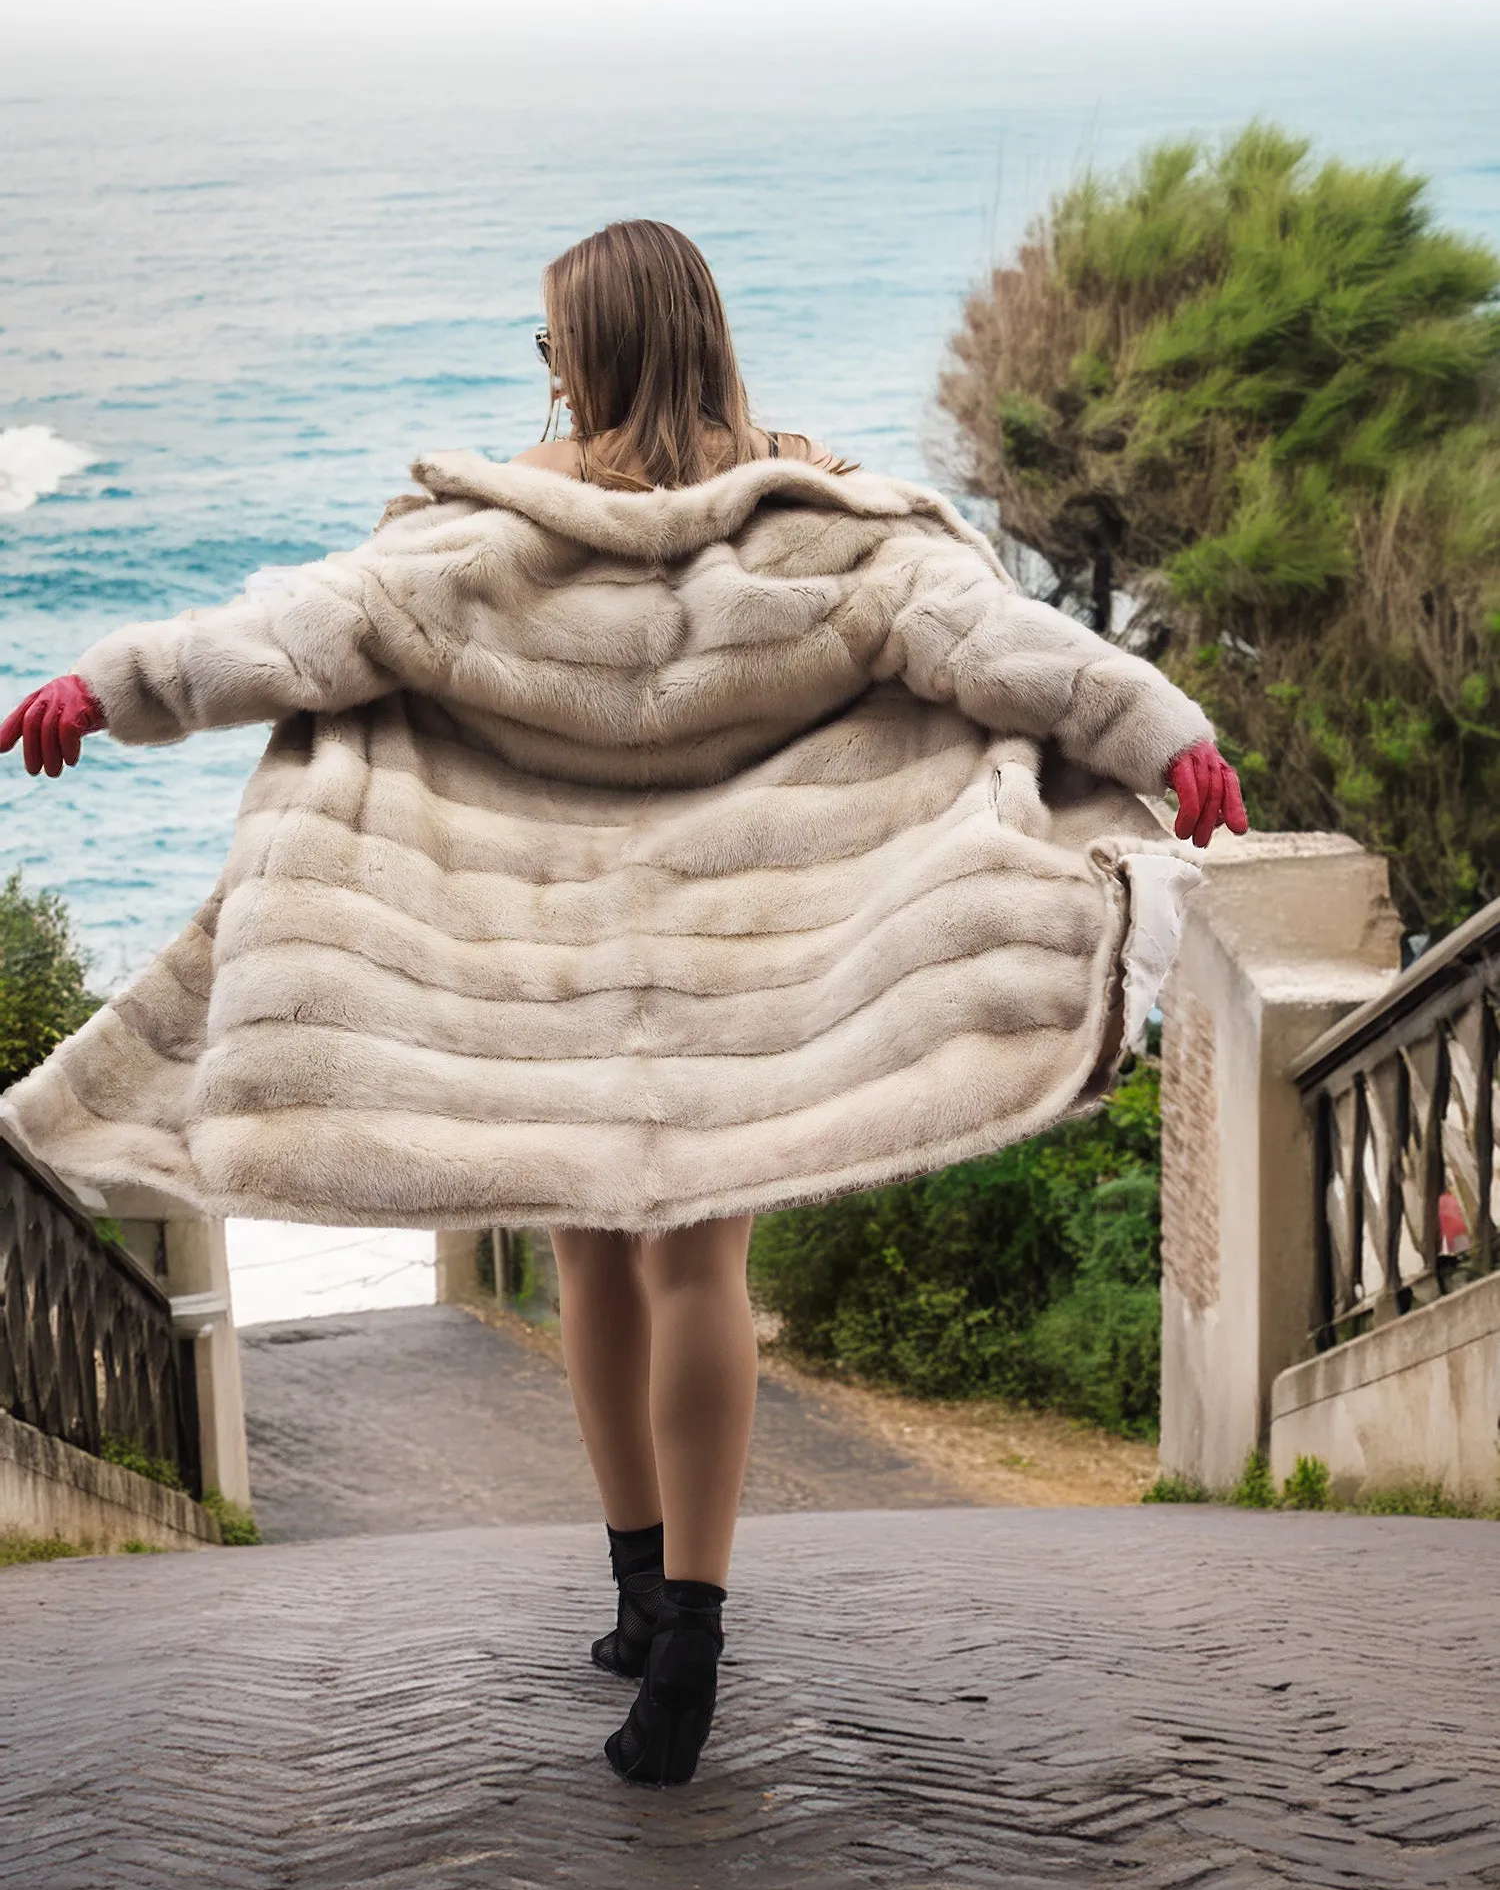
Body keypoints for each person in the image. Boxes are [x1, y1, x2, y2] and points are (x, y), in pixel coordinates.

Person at [0, 219, 1247, 1789]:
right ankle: (697, 1625)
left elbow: (298, 632)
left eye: (550, 343)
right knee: (697, 1272)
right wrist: (1163, 736)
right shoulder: (832, 530)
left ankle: (642, 1595)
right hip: (743, 974)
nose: (544, 370)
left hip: (546, 975)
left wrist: (105, 687)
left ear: (593, 351)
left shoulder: (484, 540)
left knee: (596, 1259)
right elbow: (1002, 650)